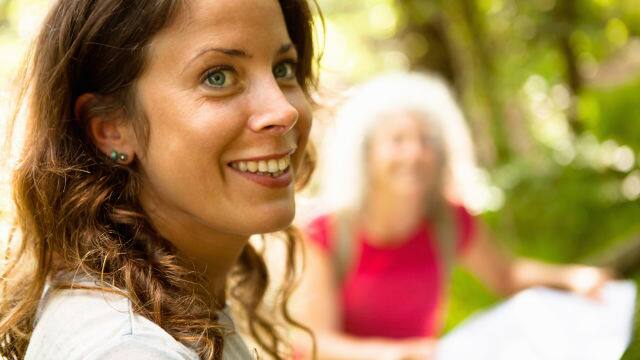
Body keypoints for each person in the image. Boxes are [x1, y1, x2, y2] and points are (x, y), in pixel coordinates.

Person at [0, 0, 319, 359]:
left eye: (283, 68)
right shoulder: (127, 348)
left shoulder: (164, 305)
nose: (284, 111)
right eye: (218, 76)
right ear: (111, 128)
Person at [292, 72, 613, 360]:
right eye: (397, 140)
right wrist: (392, 354)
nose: (415, 153)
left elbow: (506, 275)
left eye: (426, 140)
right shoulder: (327, 233)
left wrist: (572, 278)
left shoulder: (448, 220)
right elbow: (314, 342)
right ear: (367, 155)